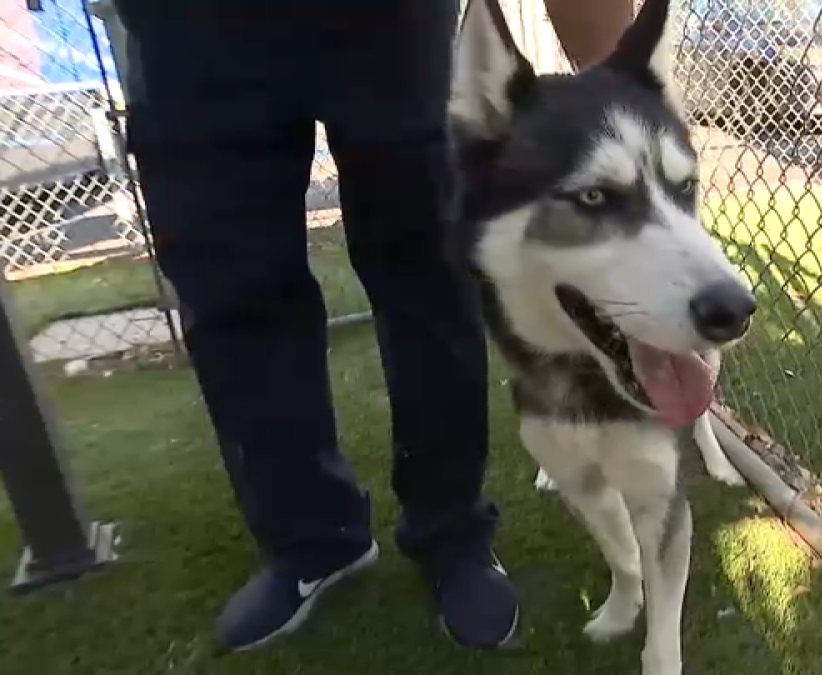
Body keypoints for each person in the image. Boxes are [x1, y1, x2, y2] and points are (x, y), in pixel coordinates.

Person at [110, 0, 635, 652]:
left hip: (392, 21)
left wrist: (622, 87)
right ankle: (312, 540)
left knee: (432, 279)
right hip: (186, 27)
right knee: (231, 292)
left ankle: (450, 529)